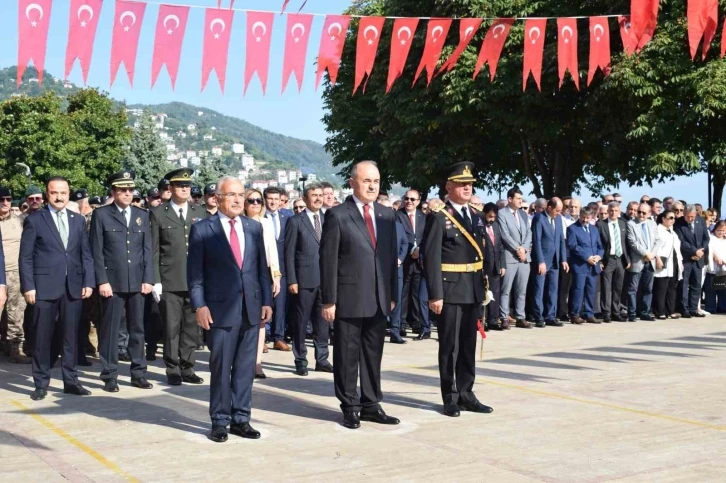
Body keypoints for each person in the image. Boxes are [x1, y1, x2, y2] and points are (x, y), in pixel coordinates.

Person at [188, 176, 273, 443]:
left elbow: (261, 269)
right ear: (218, 198)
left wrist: (267, 301)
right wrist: (199, 305)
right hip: (219, 310)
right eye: (232, 195)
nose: (238, 200)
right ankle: (220, 421)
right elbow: (195, 274)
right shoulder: (203, 229)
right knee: (221, 368)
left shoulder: (253, 228)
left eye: (241, 195)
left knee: (246, 368)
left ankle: (241, 418)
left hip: (251, 308)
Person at [320, 161, 400, 429]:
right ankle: (350, 406)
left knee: (373, 354)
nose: (372, 186)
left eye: (376, 181)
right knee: (346, 354)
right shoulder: (338, 214)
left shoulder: (386, 215)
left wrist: (392, 294)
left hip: (378, 297)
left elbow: (389, 258)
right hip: (349, 297)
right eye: (366, 181)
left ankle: (371, 404)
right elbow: (328, 260)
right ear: (353, 182)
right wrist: (329, 299)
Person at [422, 162, 493, 418]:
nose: (467, 187)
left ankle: (466, 393)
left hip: (472, 289)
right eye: (461, 183)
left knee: (467, 345)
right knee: (449, 347)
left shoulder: (475, 216)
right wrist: (435, 294)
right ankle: (450, 397)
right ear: (448, 187)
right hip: (450, 291)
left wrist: (486, 286)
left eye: (470, 184)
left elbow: (483, 253)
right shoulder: (439, 218)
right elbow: (430, 258)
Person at [19, 177, 94, 401]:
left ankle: (71, 381)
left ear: (69, 194)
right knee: (43, 336)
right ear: (47, 194)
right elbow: (26, 257)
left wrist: (88, 282)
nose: (59, 197)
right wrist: (29, 286)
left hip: (73, 287)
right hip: (44, 287)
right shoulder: (36, 220)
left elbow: (85, 254)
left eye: (63, 192)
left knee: (71, 336)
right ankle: (41, 383)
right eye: (54, 193)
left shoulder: (78, 220)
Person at [90, 171, 154, 392]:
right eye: (122, 190)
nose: (127, 194)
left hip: (137, 281)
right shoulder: (102, 215)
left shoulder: (142, 215)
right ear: (113, 192)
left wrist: (149, 278)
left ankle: (138, 372)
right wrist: (102, 281)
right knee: (110, 330)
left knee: (138, 329)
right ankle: (110, 375)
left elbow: (147, 250)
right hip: (112, 283)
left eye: (130, 190)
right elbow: (96, 251)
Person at [150, 168, 208, 386]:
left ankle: (188, 366)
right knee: (172, 327)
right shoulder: (158, 213)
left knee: (192, 327)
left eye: (187, 185)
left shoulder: (199, 212)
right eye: (180, 185)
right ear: (170, 188)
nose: (185, 189)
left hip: (195, 280)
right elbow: (154, 249)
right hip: (169, 279)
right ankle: (172, 368)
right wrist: (155, 280)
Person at [284, 182, 333, 374]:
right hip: (303, 280)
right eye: (314, 195)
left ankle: (322, 359)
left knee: (323, 323)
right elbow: (288, 253)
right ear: (305, 198)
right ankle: (300, 359)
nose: (318, 198)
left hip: (325, 280)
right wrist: (292, 280)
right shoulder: (295, 221)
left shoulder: (329, 219)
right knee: (301, 322)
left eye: (320, 195)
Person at [243, 189, 281, 378]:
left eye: (259, 200)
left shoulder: (266, 223)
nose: (256, 204)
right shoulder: (240, 223)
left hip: (263, 275)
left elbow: (272, 252)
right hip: (244, 275)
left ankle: (257, 363)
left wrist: (277, 277)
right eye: (251, 200)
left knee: (261, 321)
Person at [0, 187, 30, 363]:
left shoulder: (20, 221)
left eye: (8, 199)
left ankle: (15, 348)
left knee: (16, 312)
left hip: (15, 273)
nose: (5, 203)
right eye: (1, 199)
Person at [497, 187, 532, 328]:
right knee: (506, 289)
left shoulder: (523, 214)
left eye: (521, 199)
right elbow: (504, 234)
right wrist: (517, 248)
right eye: (518, 198)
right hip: (510, 256)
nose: (520, 201)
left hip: (524, 257)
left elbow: (529, 233)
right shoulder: (502, 213)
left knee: (521, 289)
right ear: (510, 199)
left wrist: (523, 248)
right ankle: (504, 317)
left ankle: (520, 316)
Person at [531, 198, 568, 328]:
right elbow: (536, 241)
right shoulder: (539, 218)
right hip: (543, 260)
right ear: (550, 207)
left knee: (553, 289)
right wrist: (540, 261)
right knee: (539, 289)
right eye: (557, 210)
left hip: (555, 260)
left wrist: (563, 259)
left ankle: (550, 316)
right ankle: (539, 317)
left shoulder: (558, 219)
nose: (559, 213)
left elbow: (561, 240)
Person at [396, 190, 426, 337]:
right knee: (403, 292)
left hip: (419, 259)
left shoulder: (423, 217)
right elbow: (399, 237)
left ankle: (416, 322)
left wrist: (419, 250)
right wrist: (412, 249)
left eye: (413, 199)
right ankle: (401, 323)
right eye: (406, 198)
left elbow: (425, 237)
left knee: (416, 292)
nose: (409, 201)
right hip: (404, 258)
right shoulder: (398, 215)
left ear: (418, 201)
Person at [263, 187, 291, 351]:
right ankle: (263, 338)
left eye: (276, 199)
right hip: (265, 268)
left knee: (281, 304)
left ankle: (278, 337)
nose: (273, 202)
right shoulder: (259, 217)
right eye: (270, 199)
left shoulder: (287, 218)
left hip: (282, 267)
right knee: (265, 302)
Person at [567, 207, 604, 324]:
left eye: (588, 218)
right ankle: (575, 314)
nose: (585, 220)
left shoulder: (594, 230)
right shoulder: (572, 229)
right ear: (580, 215)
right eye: (583, 217)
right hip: (580, 265)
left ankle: (589, 313)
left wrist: (599, 256)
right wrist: (587, 257)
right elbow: (573, 246)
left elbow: (600, 246)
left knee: (591, 290)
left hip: (594, 265)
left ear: (592, 217)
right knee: (578, 290)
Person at [597, 202, 631, 322]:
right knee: (606, 287)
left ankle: (616, 312)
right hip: (608, 259)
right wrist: (600, 260)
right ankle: (606, 313)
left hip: (620, 259)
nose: (613, 213)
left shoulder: (623, 223)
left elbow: (626, 243)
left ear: (619, 211)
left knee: (618, 287)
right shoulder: (601, 224)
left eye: (616, 210)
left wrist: (628, 259)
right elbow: (598, 243)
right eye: (611, 210)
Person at [626, 203, 660, 322]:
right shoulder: (631, 224)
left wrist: (651, 255)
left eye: (644, 213)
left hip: (650, 261)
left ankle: (645, 312)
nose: (640, 214)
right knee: (633, 289)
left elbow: (657, 240)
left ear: (649, 214)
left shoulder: (652, 224)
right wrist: (645, 253)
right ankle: (632, 313)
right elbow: (632, 242)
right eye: (639, 212)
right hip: (637, 260)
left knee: (648, 288)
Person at [674, 204, 709, 318]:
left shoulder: (701, 220)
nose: (690, 219)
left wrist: (700, 252)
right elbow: (681, 241)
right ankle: (685, 309)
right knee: (684, 285)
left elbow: (706, 238)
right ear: (684, 214)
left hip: (699, 259)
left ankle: (694, 308)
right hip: (686, 259)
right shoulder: (678, 223)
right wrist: (694, 252)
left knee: (696, 284)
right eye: (688, 217)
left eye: (692, 216)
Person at [653, 210, 683, 319]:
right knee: (661, 288)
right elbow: (654, 246)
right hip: (662, 261)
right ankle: (660, 311)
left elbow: (677, 248)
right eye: (670, 218)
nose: (673, 220)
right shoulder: (658, 230)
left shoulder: (672, 231)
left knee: (672, 288)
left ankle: (670, 310)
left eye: (674, 218)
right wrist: (657, 258)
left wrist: (680, 262)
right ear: (663, 218)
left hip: (674, 262)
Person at [482, 202, 506, 331]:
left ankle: (493, 320)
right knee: (483, 294)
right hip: (484, 266)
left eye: (494, 217)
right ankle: (481, 321)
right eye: (490, 216)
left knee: (495, 294)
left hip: (496, 265)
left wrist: (502, 264)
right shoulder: (479, 226)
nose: (492, 219)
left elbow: (500, 246)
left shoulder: (496, 226)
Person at [704, 221, 726, 314]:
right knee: (711, 289)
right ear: (715, 229)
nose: (721, 232)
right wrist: (716, 257)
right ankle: (710, 307)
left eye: (723, 230)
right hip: (713, 267)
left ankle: (723, 307)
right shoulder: (711, 238)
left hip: (724, 268)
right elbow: (710, 249)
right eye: (719, 230)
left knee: (722, 289)